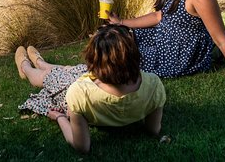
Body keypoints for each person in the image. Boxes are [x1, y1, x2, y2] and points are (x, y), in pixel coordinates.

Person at [15, 24, 166, 153]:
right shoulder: (153, 83)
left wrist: (60, 118)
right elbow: (153, 129)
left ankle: (25, 67)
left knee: (49, 76)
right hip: (102, 79)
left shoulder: (79, 93)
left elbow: (82, 147)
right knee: (70, 69)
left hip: (85, 86)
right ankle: (41, 62)